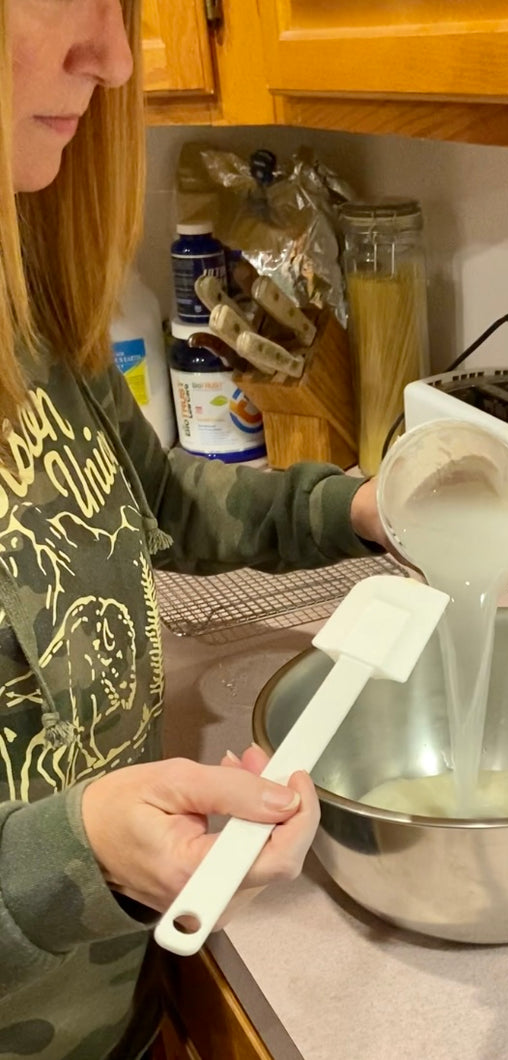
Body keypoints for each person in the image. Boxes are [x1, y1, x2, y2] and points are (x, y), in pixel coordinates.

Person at [0, 1, 389, 1055]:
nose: (116, 56)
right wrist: (77, 852)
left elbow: (157, 504)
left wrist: (353, 503)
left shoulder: (22, 309)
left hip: (113, 1020)